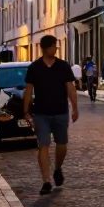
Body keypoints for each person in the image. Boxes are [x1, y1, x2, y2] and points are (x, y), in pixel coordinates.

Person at [23, 34, 79, 195]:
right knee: (44, 145)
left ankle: (58, 168)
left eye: (56, 46)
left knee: (61, 145)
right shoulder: (35, 67)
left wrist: (75, 108)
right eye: (52, 47)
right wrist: (26, 111)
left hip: (61, 111)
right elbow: (28, 90)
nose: (54, 49)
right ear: (44, 48)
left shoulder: (63, 66)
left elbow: (70, 88)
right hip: (41, 113)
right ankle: (46, 181)